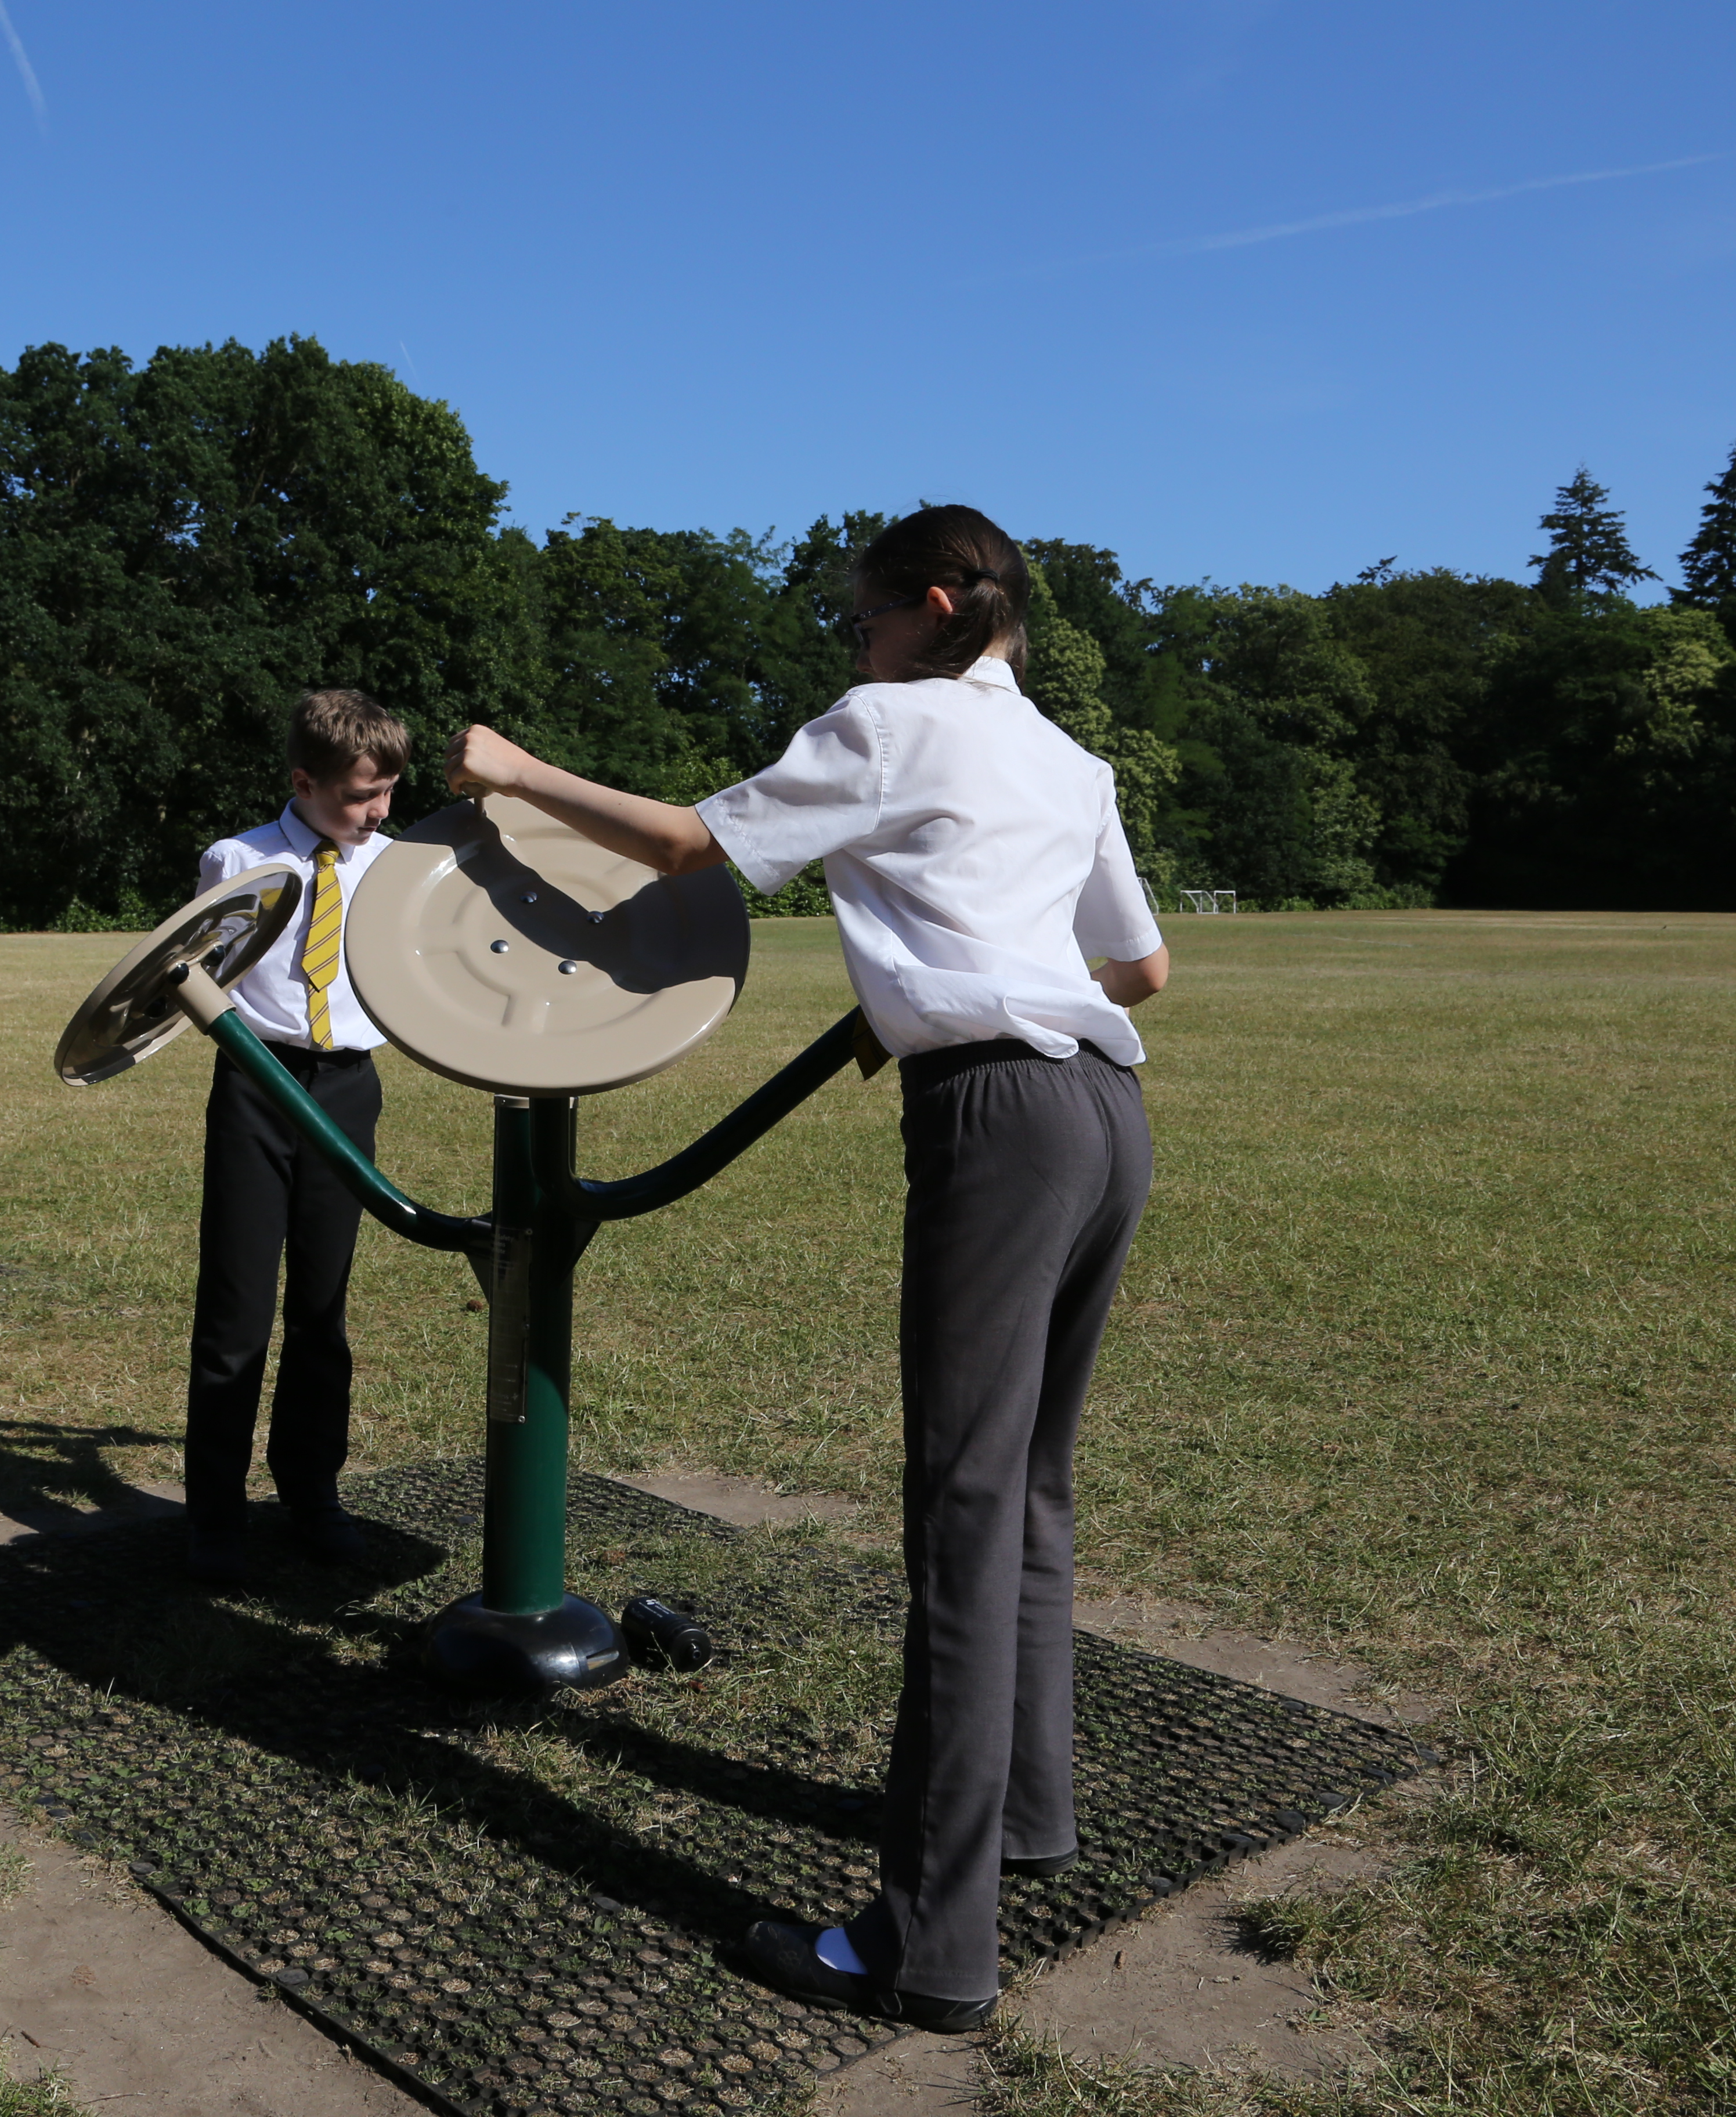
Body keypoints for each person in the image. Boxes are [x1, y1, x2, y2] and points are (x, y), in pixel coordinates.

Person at [444, 505, 1171, 2032]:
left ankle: (926, 1951)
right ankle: (1032, 1821)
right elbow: (1145, 967)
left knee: (962, 1517)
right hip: (1110, 1112)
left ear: (927, 607)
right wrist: (945, 978)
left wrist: (510, 773)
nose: (847, 647)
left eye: (858, 620)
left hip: (998, 1119)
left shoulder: (891, 722)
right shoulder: (1069, 758)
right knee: (1030, 1488)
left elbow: (691, 844)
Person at [180, 687, 408, 1588]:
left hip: (347, 1091)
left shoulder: (396, 867)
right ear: (303, 781)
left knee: (323, 1310)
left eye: (388, 790)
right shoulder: (239, 859)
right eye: (359, 795)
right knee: (235, 1315)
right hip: (256, 1086)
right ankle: (215, 1516)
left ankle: (313, 1495)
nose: (377, 811)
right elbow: (195, 975)